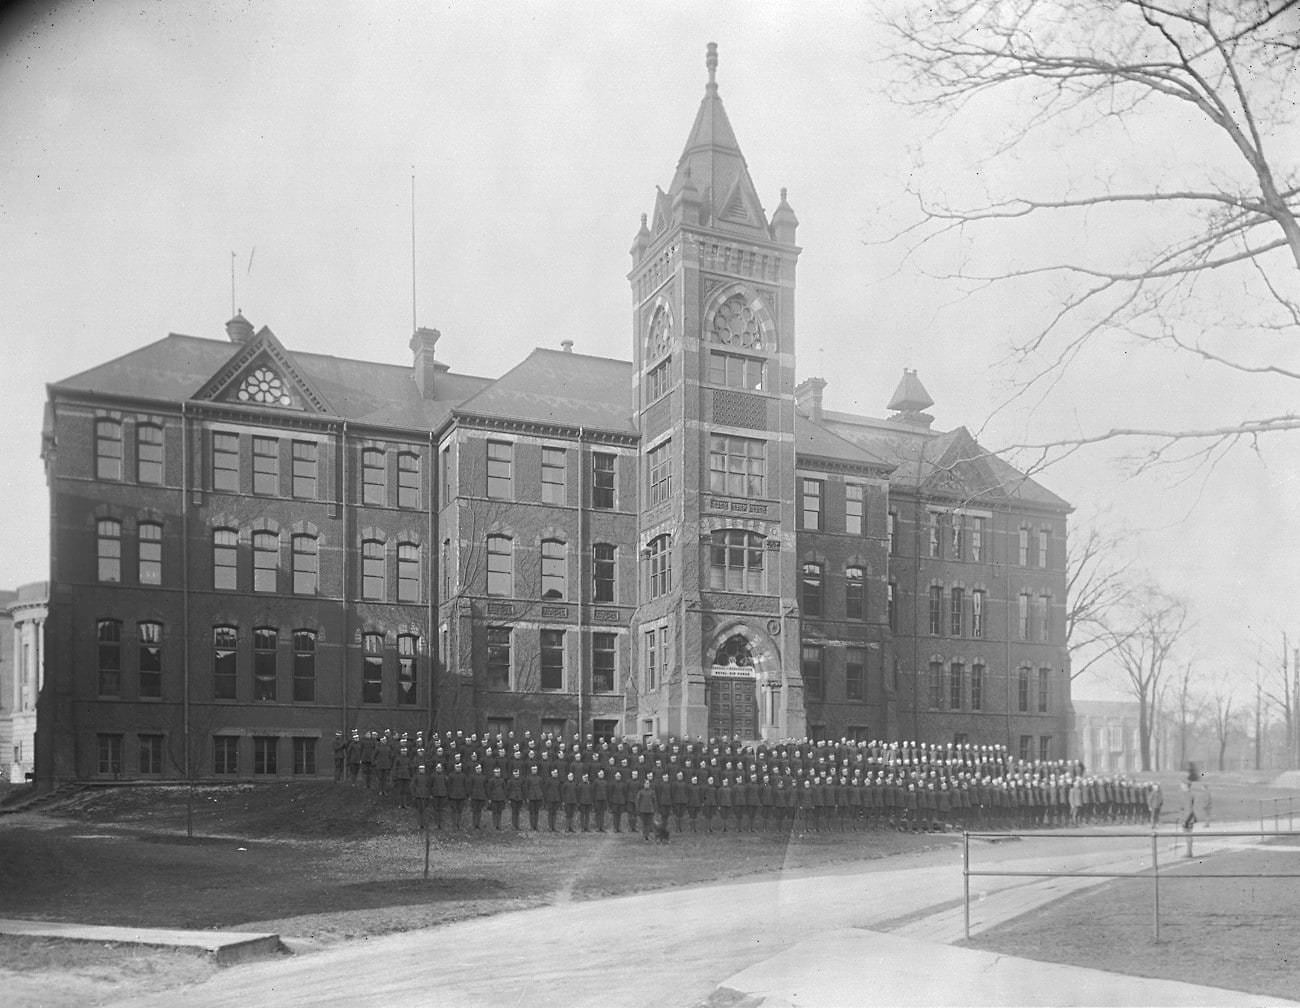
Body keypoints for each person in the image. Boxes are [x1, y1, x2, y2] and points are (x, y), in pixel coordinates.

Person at [635, 776, 659, 840]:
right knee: (644, 823)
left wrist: (655, 809)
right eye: (646, 783)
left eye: (648, 783)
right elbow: (637, 801)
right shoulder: (640, 792)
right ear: (644, 784)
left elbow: (654, 801)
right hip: (642, 810)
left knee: (649, 823)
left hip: (650, 810)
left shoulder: (652, 792)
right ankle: (644, 834)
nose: (647, 785)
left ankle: (647, 835)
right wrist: (638, 809)